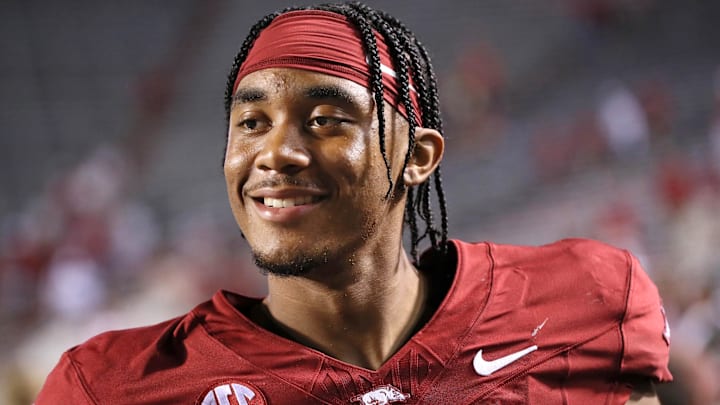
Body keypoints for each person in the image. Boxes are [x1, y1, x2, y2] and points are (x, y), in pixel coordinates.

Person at [36, 2, 672, 404]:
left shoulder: (586, 301)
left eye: (325, 119)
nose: (275, 153)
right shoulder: (112, 386)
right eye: (251, 122)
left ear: (418, 156)